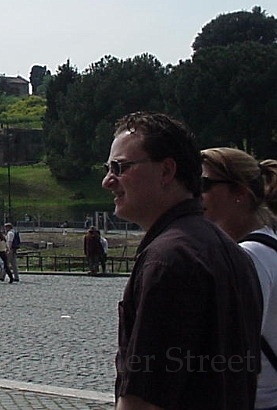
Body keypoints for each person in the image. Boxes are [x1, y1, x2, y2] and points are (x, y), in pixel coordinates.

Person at [103, 112, 262, 409]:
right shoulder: (233, 252)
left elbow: (144, 399)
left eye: (120, 167)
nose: (107, 181)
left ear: (166, 171)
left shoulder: (167, 260)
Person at [201, 147, 277, 409]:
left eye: (204, 184)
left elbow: (237, 349)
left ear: (239, 193)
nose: (194, 194)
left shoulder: (249, 255)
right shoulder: (268, 246)